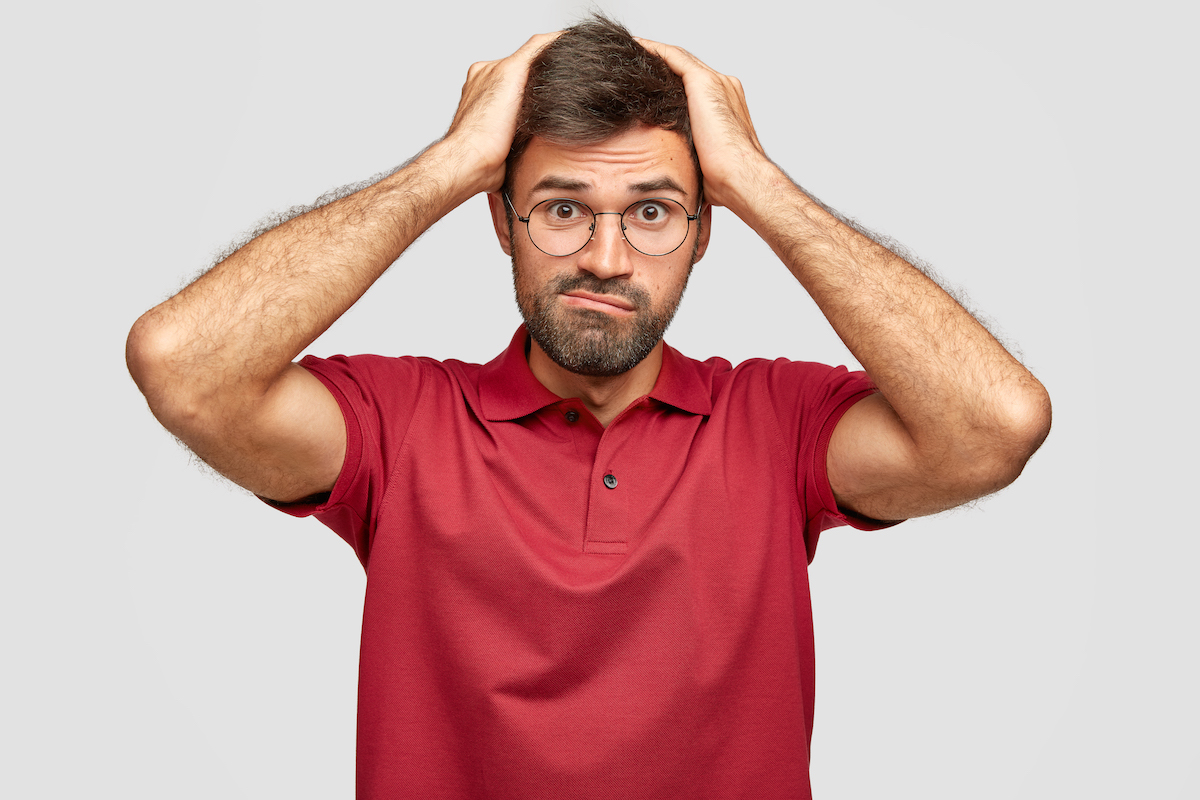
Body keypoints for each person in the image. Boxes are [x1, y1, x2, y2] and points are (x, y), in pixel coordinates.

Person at [126, 15, 1051, 800]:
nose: (607, 257)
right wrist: (450, 163)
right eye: (562, 209)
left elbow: (996, 426)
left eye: (653, 212)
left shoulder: (776, 422)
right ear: (500, 221)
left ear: (702, 234)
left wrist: (756, 180)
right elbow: (182, 366)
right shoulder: (401, 422)